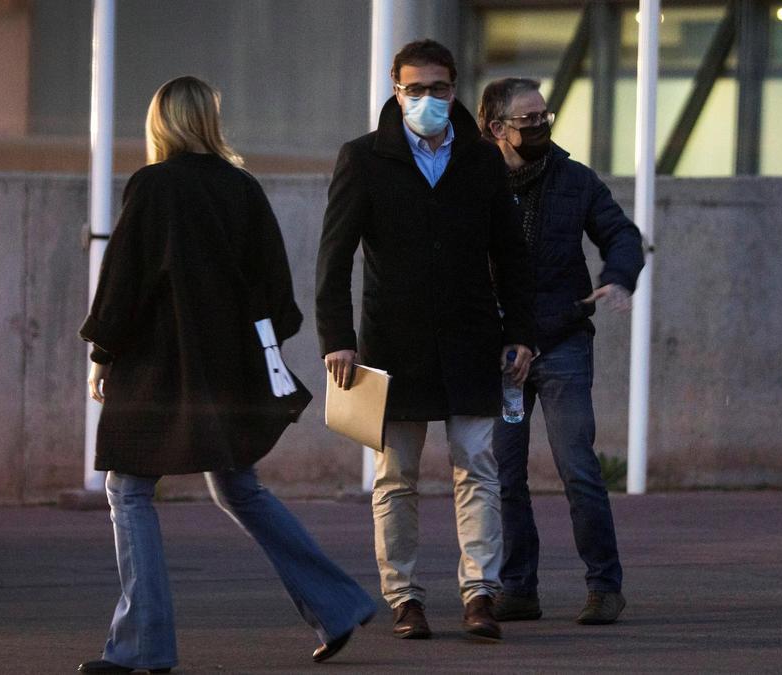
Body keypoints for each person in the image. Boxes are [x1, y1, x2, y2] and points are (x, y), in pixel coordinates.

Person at [77, 76, 375, 673]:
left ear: (161, 123)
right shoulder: (242, 188)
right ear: (210, 121)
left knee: (129, 490)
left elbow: (124, 281)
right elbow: (276, 293)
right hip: (230, 369)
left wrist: (103, 352)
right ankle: (337, 604)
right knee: (238, 485)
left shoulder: (153, 186)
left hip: (159, 370)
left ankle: (143, 646)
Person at [316, 40, 534, 642]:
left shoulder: (483, 161)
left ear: (455, 89)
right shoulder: (363, 158)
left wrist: (520, 331)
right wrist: (338, 338)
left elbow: (510, 255)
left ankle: (480, 592)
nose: (428, 100)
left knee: (478, 468)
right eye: (416, 89)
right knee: (396, 476)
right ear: (396, 90)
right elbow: (333, 257)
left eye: (438, 88)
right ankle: (404, 597)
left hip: (471, 339)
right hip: (393, 343)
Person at [476, 78, 643, 625]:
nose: (541, 127)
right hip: (503, 358)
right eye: (528, 120)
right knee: (506, 474)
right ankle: (519, 587)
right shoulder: (473, 183)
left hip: (563, 342)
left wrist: (618, 278)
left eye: (546, 116)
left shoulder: (574, 180)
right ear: (497, 128)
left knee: (578, 467)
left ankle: (604, 586)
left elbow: (621, 234)